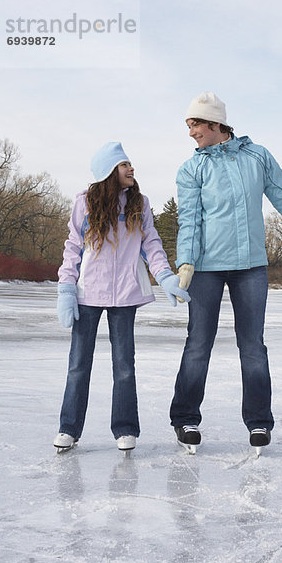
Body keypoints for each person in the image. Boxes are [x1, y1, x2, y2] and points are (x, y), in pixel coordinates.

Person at [170, 92, 282, 452]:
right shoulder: (192, 169)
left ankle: (259, 423)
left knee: (252, 347)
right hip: (204, 269)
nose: (190, 133)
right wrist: (185, 262)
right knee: (198, 344)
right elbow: (189, 219)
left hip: (251, 267)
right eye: (188, 126)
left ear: (215, 123)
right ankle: (185, 417)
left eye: (195, 125)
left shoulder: (257, 157)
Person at [54, 141, 190, 452]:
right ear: (108, 171)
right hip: (88, 294)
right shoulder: (85, 203)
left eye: (129, 164)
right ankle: (69, 428)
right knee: (78, 364)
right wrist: (65, 288)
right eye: (124, 164)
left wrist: (166, 276)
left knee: (124, 365)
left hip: (125, 296)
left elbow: (151, 245)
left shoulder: (138, 204)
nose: (131, 168)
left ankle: (125, 429)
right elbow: (73, 247)